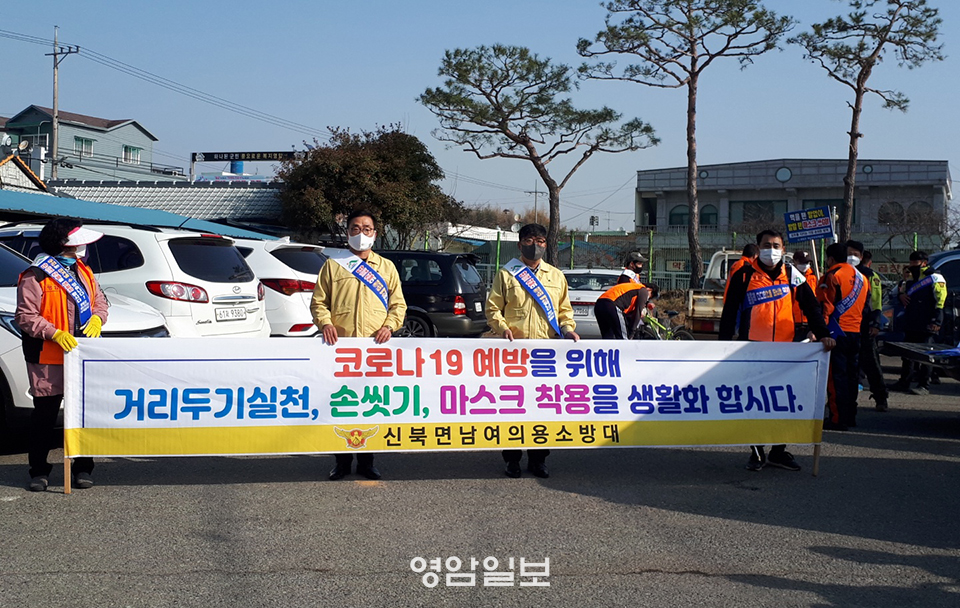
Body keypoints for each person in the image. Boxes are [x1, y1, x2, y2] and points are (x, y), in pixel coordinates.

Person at [720, 229, 834, 472]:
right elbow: (729, 311)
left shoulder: (792, 275)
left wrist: (823, 333)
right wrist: (723, 345)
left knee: (784, 402)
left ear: (783, 249)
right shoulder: (744, 275)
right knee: (755, 402)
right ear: (758, 247)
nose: (770, 250)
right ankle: (757, 451)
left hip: (786, 351)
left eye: (775, 245)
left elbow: (811, 307)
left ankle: (778, 451)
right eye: (766, 245)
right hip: (753, 350)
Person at [311, 209, 407, 481]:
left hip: (374, 349)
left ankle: (367, 462)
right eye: (355, 228)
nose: (361, 233)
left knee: (369, 405)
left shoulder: (386, 267)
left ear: (375, 234)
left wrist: (389, 326)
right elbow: (319, 302)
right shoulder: (333, 266)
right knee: (341, 405)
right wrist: (325, 323)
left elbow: (398, 305)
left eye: (367, 228)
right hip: (340, 349)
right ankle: (341, 462)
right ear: (347, 232)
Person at [16, 218, 109, 492]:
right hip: (47, 355)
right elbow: (25, 316)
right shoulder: (36, 275)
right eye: (75, 244)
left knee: (82, 414)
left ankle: (83, 467)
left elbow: (99, 302)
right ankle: (39, 471)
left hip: (81, 355)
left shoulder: (84, 271)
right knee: (45, 416)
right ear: (62, 245)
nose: (81, 249)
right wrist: (54, 333)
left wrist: (98, 319)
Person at [486, 223, 579, 478]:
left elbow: (564, 311)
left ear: (546, 245)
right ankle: (512, 459)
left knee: (542, 408)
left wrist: (568, 329)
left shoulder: (556, 276)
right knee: (512, 408)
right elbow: (493, 309)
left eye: (540, 241)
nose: (535, 245)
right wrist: (502, 327)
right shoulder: (507, 274)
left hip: (544, 356)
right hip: (513, 356)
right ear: (520, 244)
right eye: (529, 240)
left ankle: (539, 460)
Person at [818, 242, 870, 431]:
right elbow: (866, 307)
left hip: (836, 333)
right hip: (856, 332)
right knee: (852, 377)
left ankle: (837, 418)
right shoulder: (863, 278)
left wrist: (820, 331)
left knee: (836, 378)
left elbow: (825, 307)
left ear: (830, 259)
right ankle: (850, 416)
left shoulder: (832, 275)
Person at [888, 250, 946, 396]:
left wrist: (936, 320)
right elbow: (901, 292)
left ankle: (924, 385)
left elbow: (940, 301)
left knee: (926, 354)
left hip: (927, 321)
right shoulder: (909, 278)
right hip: (912, 320)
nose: (912, 265)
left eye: (915, 263)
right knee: (908, 354)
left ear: (924, 263)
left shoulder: (935, 277)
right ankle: (904, 382)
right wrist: (901, 295)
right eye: (911, 262)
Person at [849, 245, 889, 412]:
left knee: (871, 364)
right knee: (848, 367)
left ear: (861, 257)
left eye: (854, 254)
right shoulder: (840, 273)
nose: (851, 257)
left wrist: (875, 323)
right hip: (847, 326)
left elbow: (876, 303)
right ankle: (846, 401)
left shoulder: (869, 276)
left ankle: (881, 398)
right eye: (848, 254)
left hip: (865, 325)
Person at [791, 251, 819, 339]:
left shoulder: (814, 277)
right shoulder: (788, 276)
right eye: (802, 262)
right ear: (794, 261)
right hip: (792, 322)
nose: (805, 265)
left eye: (807, 262)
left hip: (809, 323)